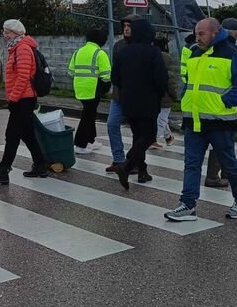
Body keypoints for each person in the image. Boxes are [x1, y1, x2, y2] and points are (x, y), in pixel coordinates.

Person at [164, 18, 237, 221]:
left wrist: (225, 102)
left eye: (201, 34)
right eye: (196, 33)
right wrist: (185, 98)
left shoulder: (233, 54)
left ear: (215, 32)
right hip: (194, 120)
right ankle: (187, 204)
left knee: (228, 162)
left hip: (220, 121)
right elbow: (189, 83)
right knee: (191, 163)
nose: (197, 38)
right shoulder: (195, 53)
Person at [0, 19, 49, 184]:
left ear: (16, 33)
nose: (4, 35)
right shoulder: (16, 48)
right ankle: (41, 164)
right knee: (27, 134)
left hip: (23, 99)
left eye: (7, 32)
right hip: (22, 98)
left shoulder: (22, 49)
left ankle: (3, 170)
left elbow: (23, 77)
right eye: (4, 31)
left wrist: (13, 98)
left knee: (12, 134)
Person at [111, 19, 167, 189]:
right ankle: (127, 165)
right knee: (149, 136)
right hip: (148, 101)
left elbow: (115, 78)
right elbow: (161, 79)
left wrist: (128, 88)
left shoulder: (123, 53)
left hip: (128, 101)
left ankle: (142, 171)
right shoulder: (154, 52)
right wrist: (159, 93)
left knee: (138, 136)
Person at [203, 17, 237, 187]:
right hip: (225, 108)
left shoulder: (204, 50)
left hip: (203, 106)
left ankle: (221, 174)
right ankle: (215, 176)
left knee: (215, 143)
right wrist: (228, 102)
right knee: (224, 143)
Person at [69, 27, 111, 154]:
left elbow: (71, 71)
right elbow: (106, 74)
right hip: (93, 89)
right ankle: (80, 144)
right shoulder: (100, 53)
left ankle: (91, 140)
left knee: (90, 114)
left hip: (79, 88)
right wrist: (105, 87)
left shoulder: (78, 52)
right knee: (88, 116)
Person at [105, 15, 135, 173]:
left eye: (129, 26)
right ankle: (118, 159)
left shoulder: (143, 45)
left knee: (138, 130)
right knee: (111, 124)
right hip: (118, 95)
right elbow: (114, 69)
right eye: (124, 26)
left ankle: (136, 162)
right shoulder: (118, 46)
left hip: (135, 96)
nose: (126, 28)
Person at [150, 35, 179, 149]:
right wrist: (175, 96)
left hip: (154, 95)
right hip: (166, 97)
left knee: (161, 118)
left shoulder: (151, 58)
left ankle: (161, 138)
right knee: (162, 118)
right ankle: (159, 138)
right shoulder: (167, 61)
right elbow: (171, 82)